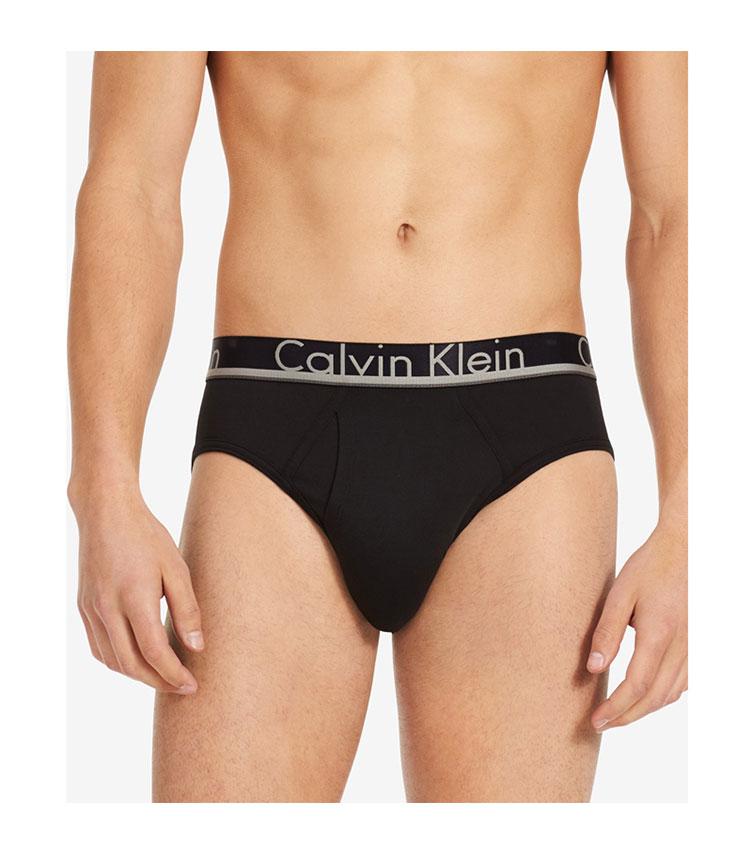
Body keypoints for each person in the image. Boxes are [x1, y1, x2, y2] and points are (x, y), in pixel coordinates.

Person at [68, 51, 687, 802]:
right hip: (274, 427)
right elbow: (131, 186)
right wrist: (104, 490)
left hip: (526, 440)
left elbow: (673, 213)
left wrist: (690, 517)